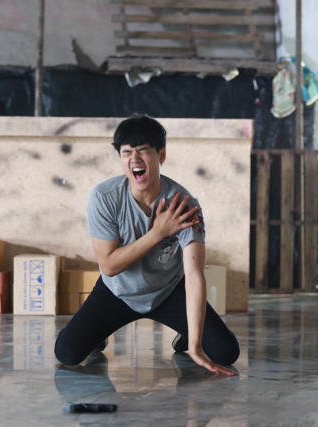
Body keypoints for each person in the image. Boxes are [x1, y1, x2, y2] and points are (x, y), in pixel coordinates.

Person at [54, 114, 239, 375]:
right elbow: (108, 266)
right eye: (126, 152)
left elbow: (194, 277)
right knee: (67, 354)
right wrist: (157, 233)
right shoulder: (104, 197)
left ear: (161, 155)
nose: (134, 159)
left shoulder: (184, 205)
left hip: (169, 290)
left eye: (143, 150)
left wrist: (196, 347)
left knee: (226, 352)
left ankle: (186, 335)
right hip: (117, 292)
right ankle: (98, 334)